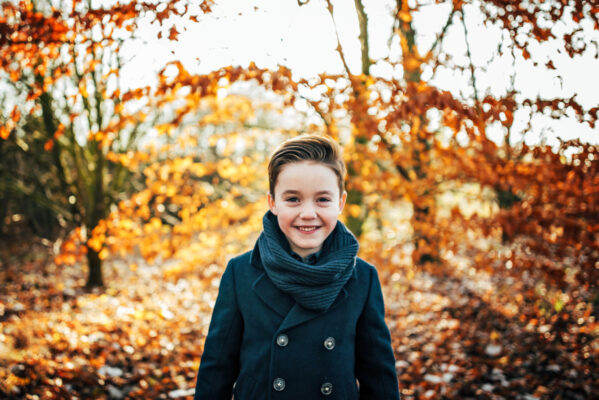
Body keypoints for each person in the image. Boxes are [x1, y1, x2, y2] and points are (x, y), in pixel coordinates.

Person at [194, 134, 400, 399]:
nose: (308, 213)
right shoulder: (241, 272)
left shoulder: (363, 277)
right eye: (293, 199)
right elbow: (216, 369)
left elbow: (379, 376)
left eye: (322, 200)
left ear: (341, 203)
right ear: (272, 203)